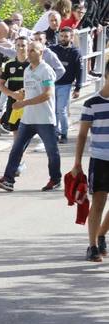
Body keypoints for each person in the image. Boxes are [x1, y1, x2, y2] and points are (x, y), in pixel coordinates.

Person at [0, 40, 62, 191]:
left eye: (32, 50)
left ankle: (55, 179)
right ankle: (8, 179)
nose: (29, 53)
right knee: (16, 149)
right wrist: (20, 94)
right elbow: (31, 89)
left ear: (41, 53)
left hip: (44, 119)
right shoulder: (28, 70)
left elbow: (47, 95)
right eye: (28, 50)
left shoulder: (46, 70)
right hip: (28, 119)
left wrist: (24, 103)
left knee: (52, 151)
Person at [71, 76, 109, 260]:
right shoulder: (91, 103)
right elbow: (82, 135)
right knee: (99, 203)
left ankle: (101, 235)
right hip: (100, 159)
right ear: (107, 77)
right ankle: (92, 246)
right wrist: (77, 162)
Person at [50, 25, 84, 141]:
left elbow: (80, 70)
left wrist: (78, 87)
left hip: (66, 85)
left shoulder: (76, 52)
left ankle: (64, 133)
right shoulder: (53, 49)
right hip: (52, 84)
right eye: (62, 36)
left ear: (71, 37)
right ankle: (55, 132)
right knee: (53, 109)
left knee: (61, 110)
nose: (63, 38)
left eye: (66, 36)